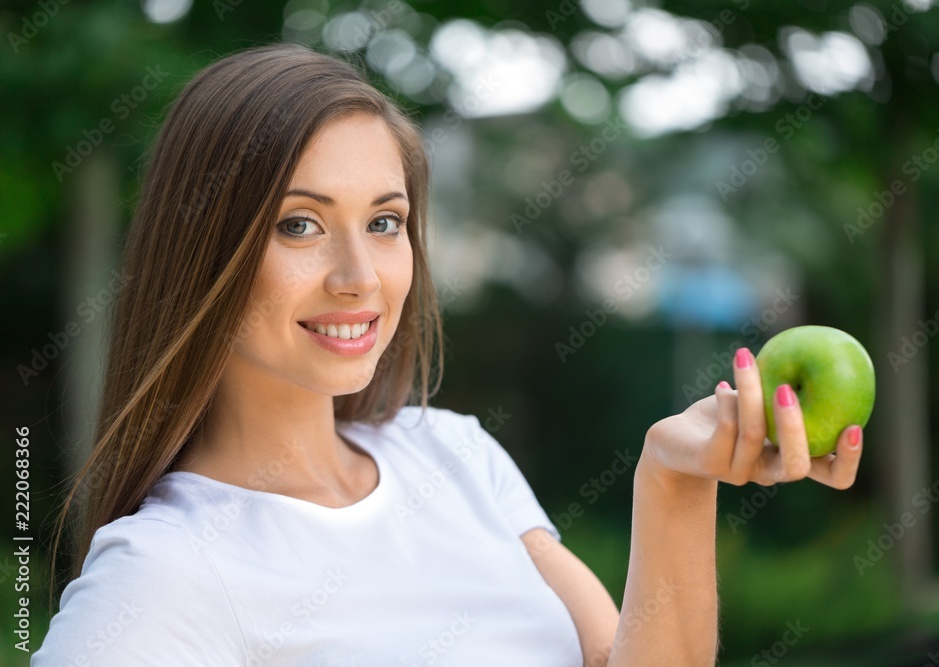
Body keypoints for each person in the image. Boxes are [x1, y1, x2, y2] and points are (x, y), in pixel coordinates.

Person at [32, 43, 864, 666]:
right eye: (300, 224)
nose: (360, 277)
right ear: (202, 245)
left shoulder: (453, 451)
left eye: (385, 222)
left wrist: (674, 479)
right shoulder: (163, 578)